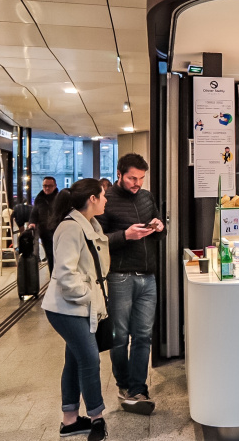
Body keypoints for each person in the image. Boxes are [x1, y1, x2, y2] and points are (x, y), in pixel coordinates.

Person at [41, 178, 109, 441]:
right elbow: (66, 274)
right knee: (90, 359)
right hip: (67, 308)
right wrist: (87, 295)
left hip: (77, 307)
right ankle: (96, 418)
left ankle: (70, 420)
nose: (106, 200)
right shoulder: (70, 228)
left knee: (75, 359)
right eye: (102, 196)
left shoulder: (89, 224)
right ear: (91, 198)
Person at [96, 153, 164, 416]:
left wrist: (158, 227)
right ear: (120, 174)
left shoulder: (146, 197)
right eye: (132, 178)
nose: (137, 183)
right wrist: (125, 235)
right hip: (119, 276)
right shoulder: (107, 199)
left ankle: (139, 389)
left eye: (141, 178)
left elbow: (161, 231)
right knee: (119, 337)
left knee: (144, 336)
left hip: (148, 276)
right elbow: (98, 241)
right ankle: (124, 385)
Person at [29, 176, 59, 276]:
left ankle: (59, 277)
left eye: (50, 186)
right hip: (45, 232)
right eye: (45, 186)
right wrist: (32, 223)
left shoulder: (59, 198)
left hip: (58, 232)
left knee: (59, 256)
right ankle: (53, 278)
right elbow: (34, 212)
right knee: (50, 256)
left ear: (55, 186)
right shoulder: (39, 198)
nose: (47, 188)